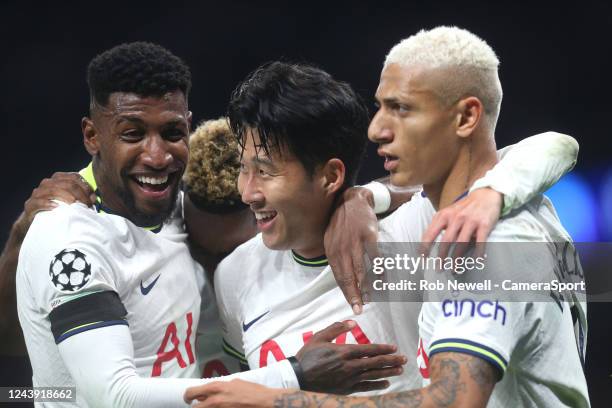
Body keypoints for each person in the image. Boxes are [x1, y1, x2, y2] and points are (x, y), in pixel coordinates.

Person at [13, 42, 407, 408]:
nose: (156, 155)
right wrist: (295, 373)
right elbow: (111, 395)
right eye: (133, 133)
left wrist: (369, 196)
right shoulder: (71, 236)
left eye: (171, 133)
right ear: (92, 135)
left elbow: (457, 182)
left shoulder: (178, 214)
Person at [183, 52, 584, 406]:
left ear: (330, 176)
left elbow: (555, 146)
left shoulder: (415, 233)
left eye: (266, 171)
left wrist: (489, 192)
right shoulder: (234, 276)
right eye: (244, 168)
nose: (247, 191)